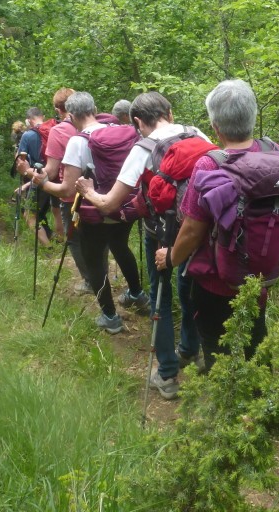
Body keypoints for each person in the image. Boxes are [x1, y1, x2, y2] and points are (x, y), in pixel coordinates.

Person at [77, 91, 204, 399]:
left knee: (161, 300)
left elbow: (108, 205)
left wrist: (88, 191)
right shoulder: (197, 134)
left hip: (159, 234)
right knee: (190, 291)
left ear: (137, 122)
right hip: (196, 230)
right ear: (170, 113)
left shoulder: (143, 147)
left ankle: (167, 375)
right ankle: (190, 349)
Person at [153, 79, 277, 371]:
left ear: (215, 126)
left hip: (215, 280)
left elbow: (194, 229)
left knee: (216, 348)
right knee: (256, 339)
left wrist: (170, 257)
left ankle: (228, 410)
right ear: (253, 116)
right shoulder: (273, 151)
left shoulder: (209, 165)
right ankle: (264, 408)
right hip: (260, 275)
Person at [33, 92, 147, 333]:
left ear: (71, 115)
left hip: (94, 211)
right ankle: (137, 294)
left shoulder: (78, 141)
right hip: (124, 206)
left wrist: (41, 183)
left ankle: (110, 317)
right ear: (95, 108)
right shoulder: (123, 131)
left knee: (95, 262)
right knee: (121, 246)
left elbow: (66, 188)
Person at [16, 88, 92, 290]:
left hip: (68, 192)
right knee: (93, 237)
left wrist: (27, 172)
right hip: (96, 191)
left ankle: (89, 281)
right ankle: (103, 279)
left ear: (59, 109)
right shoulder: (96, 125)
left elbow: (49, 170)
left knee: (74, 239)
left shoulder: (58, 131)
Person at [15, 107, 51, 246]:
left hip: (37, 179)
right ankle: (58, 238)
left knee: (29, 214)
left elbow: (21, 161)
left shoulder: (27, 135)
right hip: (55, 178)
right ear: (42, 116)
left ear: (28, 120)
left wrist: (24, 172)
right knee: (44, 213)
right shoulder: (53, 130)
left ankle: (48, 247)